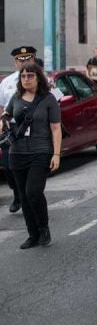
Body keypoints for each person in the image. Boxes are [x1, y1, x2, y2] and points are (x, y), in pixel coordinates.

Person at [3, 64, 61, 249]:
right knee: (24, 196)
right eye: (23, 76)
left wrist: (57, 154)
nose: (26, 79)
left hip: (41, 151)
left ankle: (44, 228)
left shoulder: (48, 99)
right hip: (17, 153)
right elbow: (5, 117)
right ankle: (32, 235)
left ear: (38, 78)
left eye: (30, 75)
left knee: (33, 192)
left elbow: (56, 128)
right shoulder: (16, 98)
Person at [0, 46, 39, 213]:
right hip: (12, 129)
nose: (24, 63)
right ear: (15, 62)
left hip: (35, 129)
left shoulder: (42, 80)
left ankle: (30, 197)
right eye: (20, 60)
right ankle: (17, 193)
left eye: (28, 59)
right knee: (9, 166)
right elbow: (1, 107)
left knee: (32, 167)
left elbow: (54, 105)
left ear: (33, 60)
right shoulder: (7, 82)